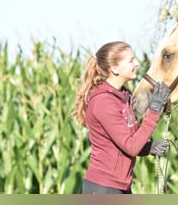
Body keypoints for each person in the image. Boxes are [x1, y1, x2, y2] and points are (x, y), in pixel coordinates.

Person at [72, 41, 170, 194]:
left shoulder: (125, 96)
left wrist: (148, 148)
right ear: (115, 69)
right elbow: (131, 146)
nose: (136, 63)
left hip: (121, 187)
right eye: (131, 60)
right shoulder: (104, 103)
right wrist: (154, 111)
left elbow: (126, 142)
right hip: (103, 189)